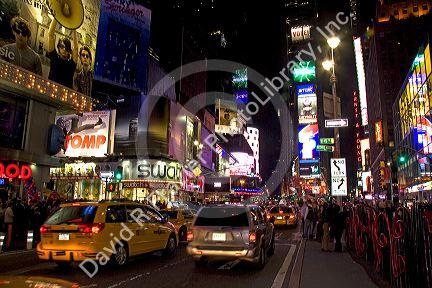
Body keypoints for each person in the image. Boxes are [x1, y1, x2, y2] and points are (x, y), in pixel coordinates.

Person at [47, 18, 78, 88]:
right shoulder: (54, 58)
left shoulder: (71, 64)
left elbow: (75, 48)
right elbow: (50, 35)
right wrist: (56, 17)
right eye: (62, 46)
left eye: (66, 47)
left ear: (69, 50)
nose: (64, 49)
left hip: (65, 96)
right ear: (58, 47)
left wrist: (74, 28)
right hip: (51, 92)